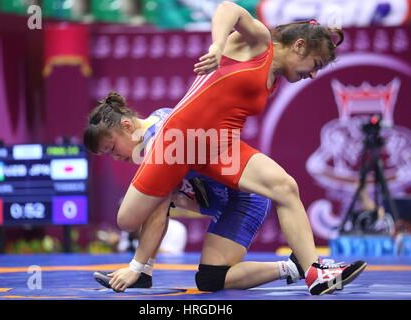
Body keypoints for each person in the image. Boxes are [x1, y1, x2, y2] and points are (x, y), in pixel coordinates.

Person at [86, 1, 366, 295]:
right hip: (179, 144)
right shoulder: (258, 42)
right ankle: (140, 268)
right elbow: (229, 8)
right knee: (127, 220)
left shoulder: (274, 74)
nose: (313, 74)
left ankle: (314, 272)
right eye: (315, 65)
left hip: (219, 147)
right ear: (298, 46)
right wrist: (218, 45)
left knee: (285, 186)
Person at [86, 97, 307, 291]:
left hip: (245, 198)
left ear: (126, 125)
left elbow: (157, 217)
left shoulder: (160, 144)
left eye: (112, 148)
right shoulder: (160, 116)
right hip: (226, 193)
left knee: (210, 279)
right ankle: (144, 274)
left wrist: (134, 267)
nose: (115, 157)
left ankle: (292, 267)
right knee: (153, 200)